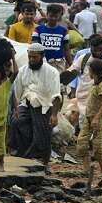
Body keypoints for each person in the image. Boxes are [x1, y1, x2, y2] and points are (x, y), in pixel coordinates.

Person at [7, 43, 61, 171]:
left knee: (44, 131)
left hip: (44, 106)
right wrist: (15, 110)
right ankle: (20, 154)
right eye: (30, 56)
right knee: (15, 122)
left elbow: (56, 96)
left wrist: (54, 115)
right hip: (26, 104)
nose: (31, 59)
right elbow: (16, 93)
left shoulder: (52, 72)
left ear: (42, 56)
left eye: (34, 57)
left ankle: (45, 163)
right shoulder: (23, 70)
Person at [66, 36, 102, 124]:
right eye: (95, 50)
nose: (98, 53)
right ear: (91, 48)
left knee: (93, 121)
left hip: (99, 97)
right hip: (83, 96)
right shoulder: (84, 58)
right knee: (83, 120)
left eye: (100, 50)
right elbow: (72, 71)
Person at [76, 60, 102, 179]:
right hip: (89, 117)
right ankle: (86, 169)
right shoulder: (94, 84)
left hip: (98, 119)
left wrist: (96, 118)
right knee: (81, 141)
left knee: (97, 144)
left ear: (93, 72)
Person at [32, 3, 73, 72]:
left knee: (58, 82)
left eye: (56, 16)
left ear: (59, 16)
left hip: (58, 64)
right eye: (51, 16)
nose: (53, 18)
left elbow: (67, 50)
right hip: (42, 63)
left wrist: (71, 66)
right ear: (47, 15)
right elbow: (35, 48)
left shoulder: (64, 31)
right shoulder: (38, 29)